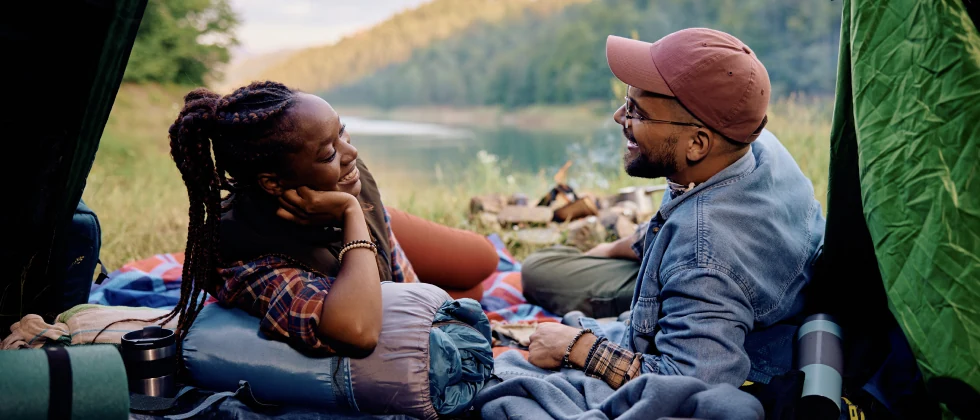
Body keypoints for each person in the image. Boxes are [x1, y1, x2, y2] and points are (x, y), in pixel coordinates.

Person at [523, 28, 826, 389]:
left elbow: (692, 379)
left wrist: (578, 347)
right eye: (627, 102)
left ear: (697, 144)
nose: (620, 117)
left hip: (716, 301)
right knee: (548, 266)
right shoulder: (755, 148)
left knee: (538, 272)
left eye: (637, 111)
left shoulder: (705, 256)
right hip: (738, 286)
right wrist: (617, 247)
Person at [159, 81, 497, 354]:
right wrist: (350, 213)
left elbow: (404, 284)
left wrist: (359, 217)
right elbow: (356, 332)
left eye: (342, 132)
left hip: (363, 225)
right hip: (349, 227)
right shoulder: (243, 254)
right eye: (329, 153)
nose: (351, 152)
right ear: (273, 183)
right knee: (468, 296)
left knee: (483, 262)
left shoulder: (345, 174)